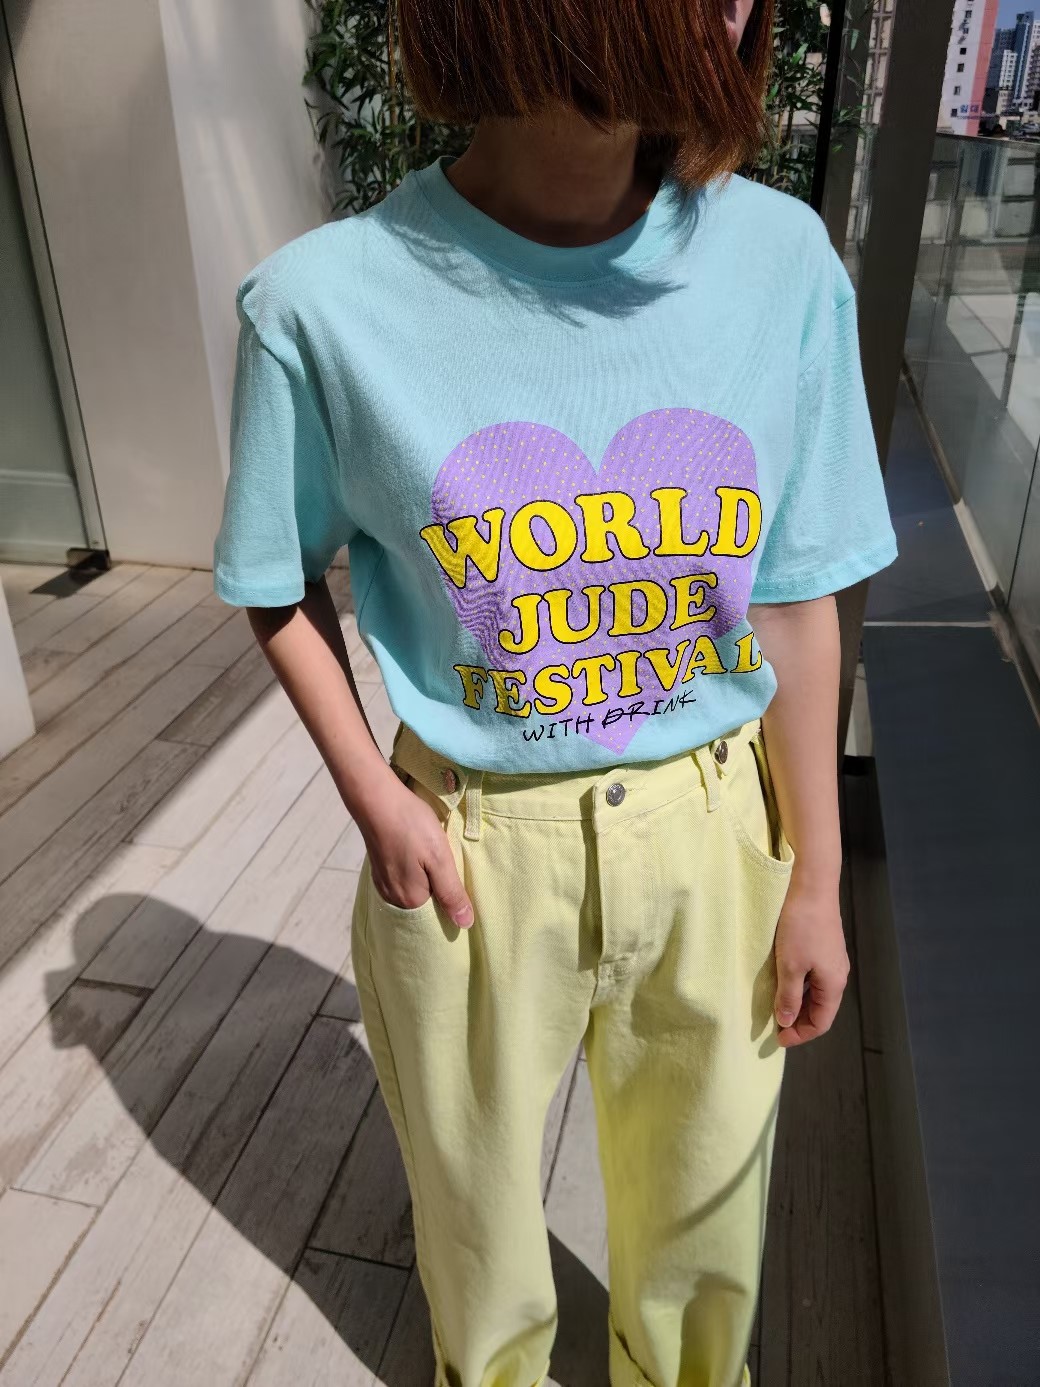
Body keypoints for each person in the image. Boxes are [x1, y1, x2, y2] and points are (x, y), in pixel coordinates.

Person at [211, 0, 899, 1382]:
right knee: (476, 1235)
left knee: (709, 1229)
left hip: (716, 837)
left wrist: (817, 881)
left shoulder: (781, 265)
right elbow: (272, 576)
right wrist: (375, 798)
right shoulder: (323, 304)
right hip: (470, 852)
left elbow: (793, 592)